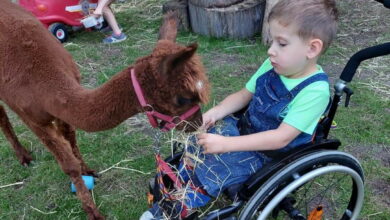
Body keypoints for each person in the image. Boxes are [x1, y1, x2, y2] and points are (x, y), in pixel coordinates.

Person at [140, 0, 339, 219]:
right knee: (200, 142)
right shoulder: (274, 65)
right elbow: (244, 95)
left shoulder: (315, 92)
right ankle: (181, 178)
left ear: (312, 48)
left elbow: (281, 138)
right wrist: (216, 112)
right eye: (272, 41)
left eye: (281, 44)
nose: (270, 50)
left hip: (268, 155)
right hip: (244, 129)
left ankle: (177, 204)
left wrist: (227, 144)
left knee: (218, 168)